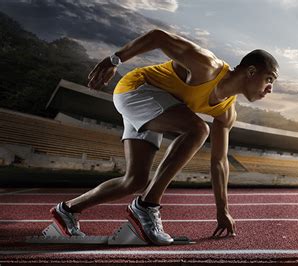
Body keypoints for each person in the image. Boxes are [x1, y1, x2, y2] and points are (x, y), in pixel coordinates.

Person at [49, 28, 279, 245]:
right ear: (250, 71)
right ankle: (147, 206)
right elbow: (158, 37)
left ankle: (67, 211)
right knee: (198, 129)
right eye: (270, 79)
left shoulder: (227, 112)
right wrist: (114, 60)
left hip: (158, 107)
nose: (270, 88)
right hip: (136, 89)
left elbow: (219, 162)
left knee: (135, 181)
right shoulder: (207, 66)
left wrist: (223, 210)